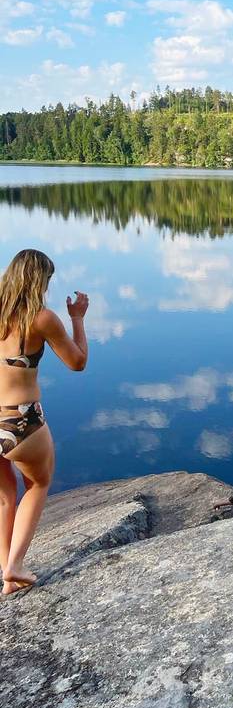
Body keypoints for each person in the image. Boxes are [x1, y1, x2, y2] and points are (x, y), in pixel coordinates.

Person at [0, 249, 89, 596]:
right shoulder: (41, 319)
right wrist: (78, 318)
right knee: (38, 484)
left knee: (5, 496)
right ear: (39, 281)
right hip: (20, 420)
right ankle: (15, 565)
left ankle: (6, 574)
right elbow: (77, 362)